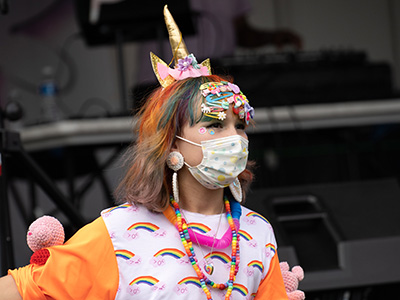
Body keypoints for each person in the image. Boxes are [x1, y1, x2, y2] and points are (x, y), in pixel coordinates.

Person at [0, 6, 289, 300]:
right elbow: (19, 290)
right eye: (214, 124)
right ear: (171, 142)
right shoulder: (118, 233)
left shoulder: (258, 233)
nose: (235, 138)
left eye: (240, 126)